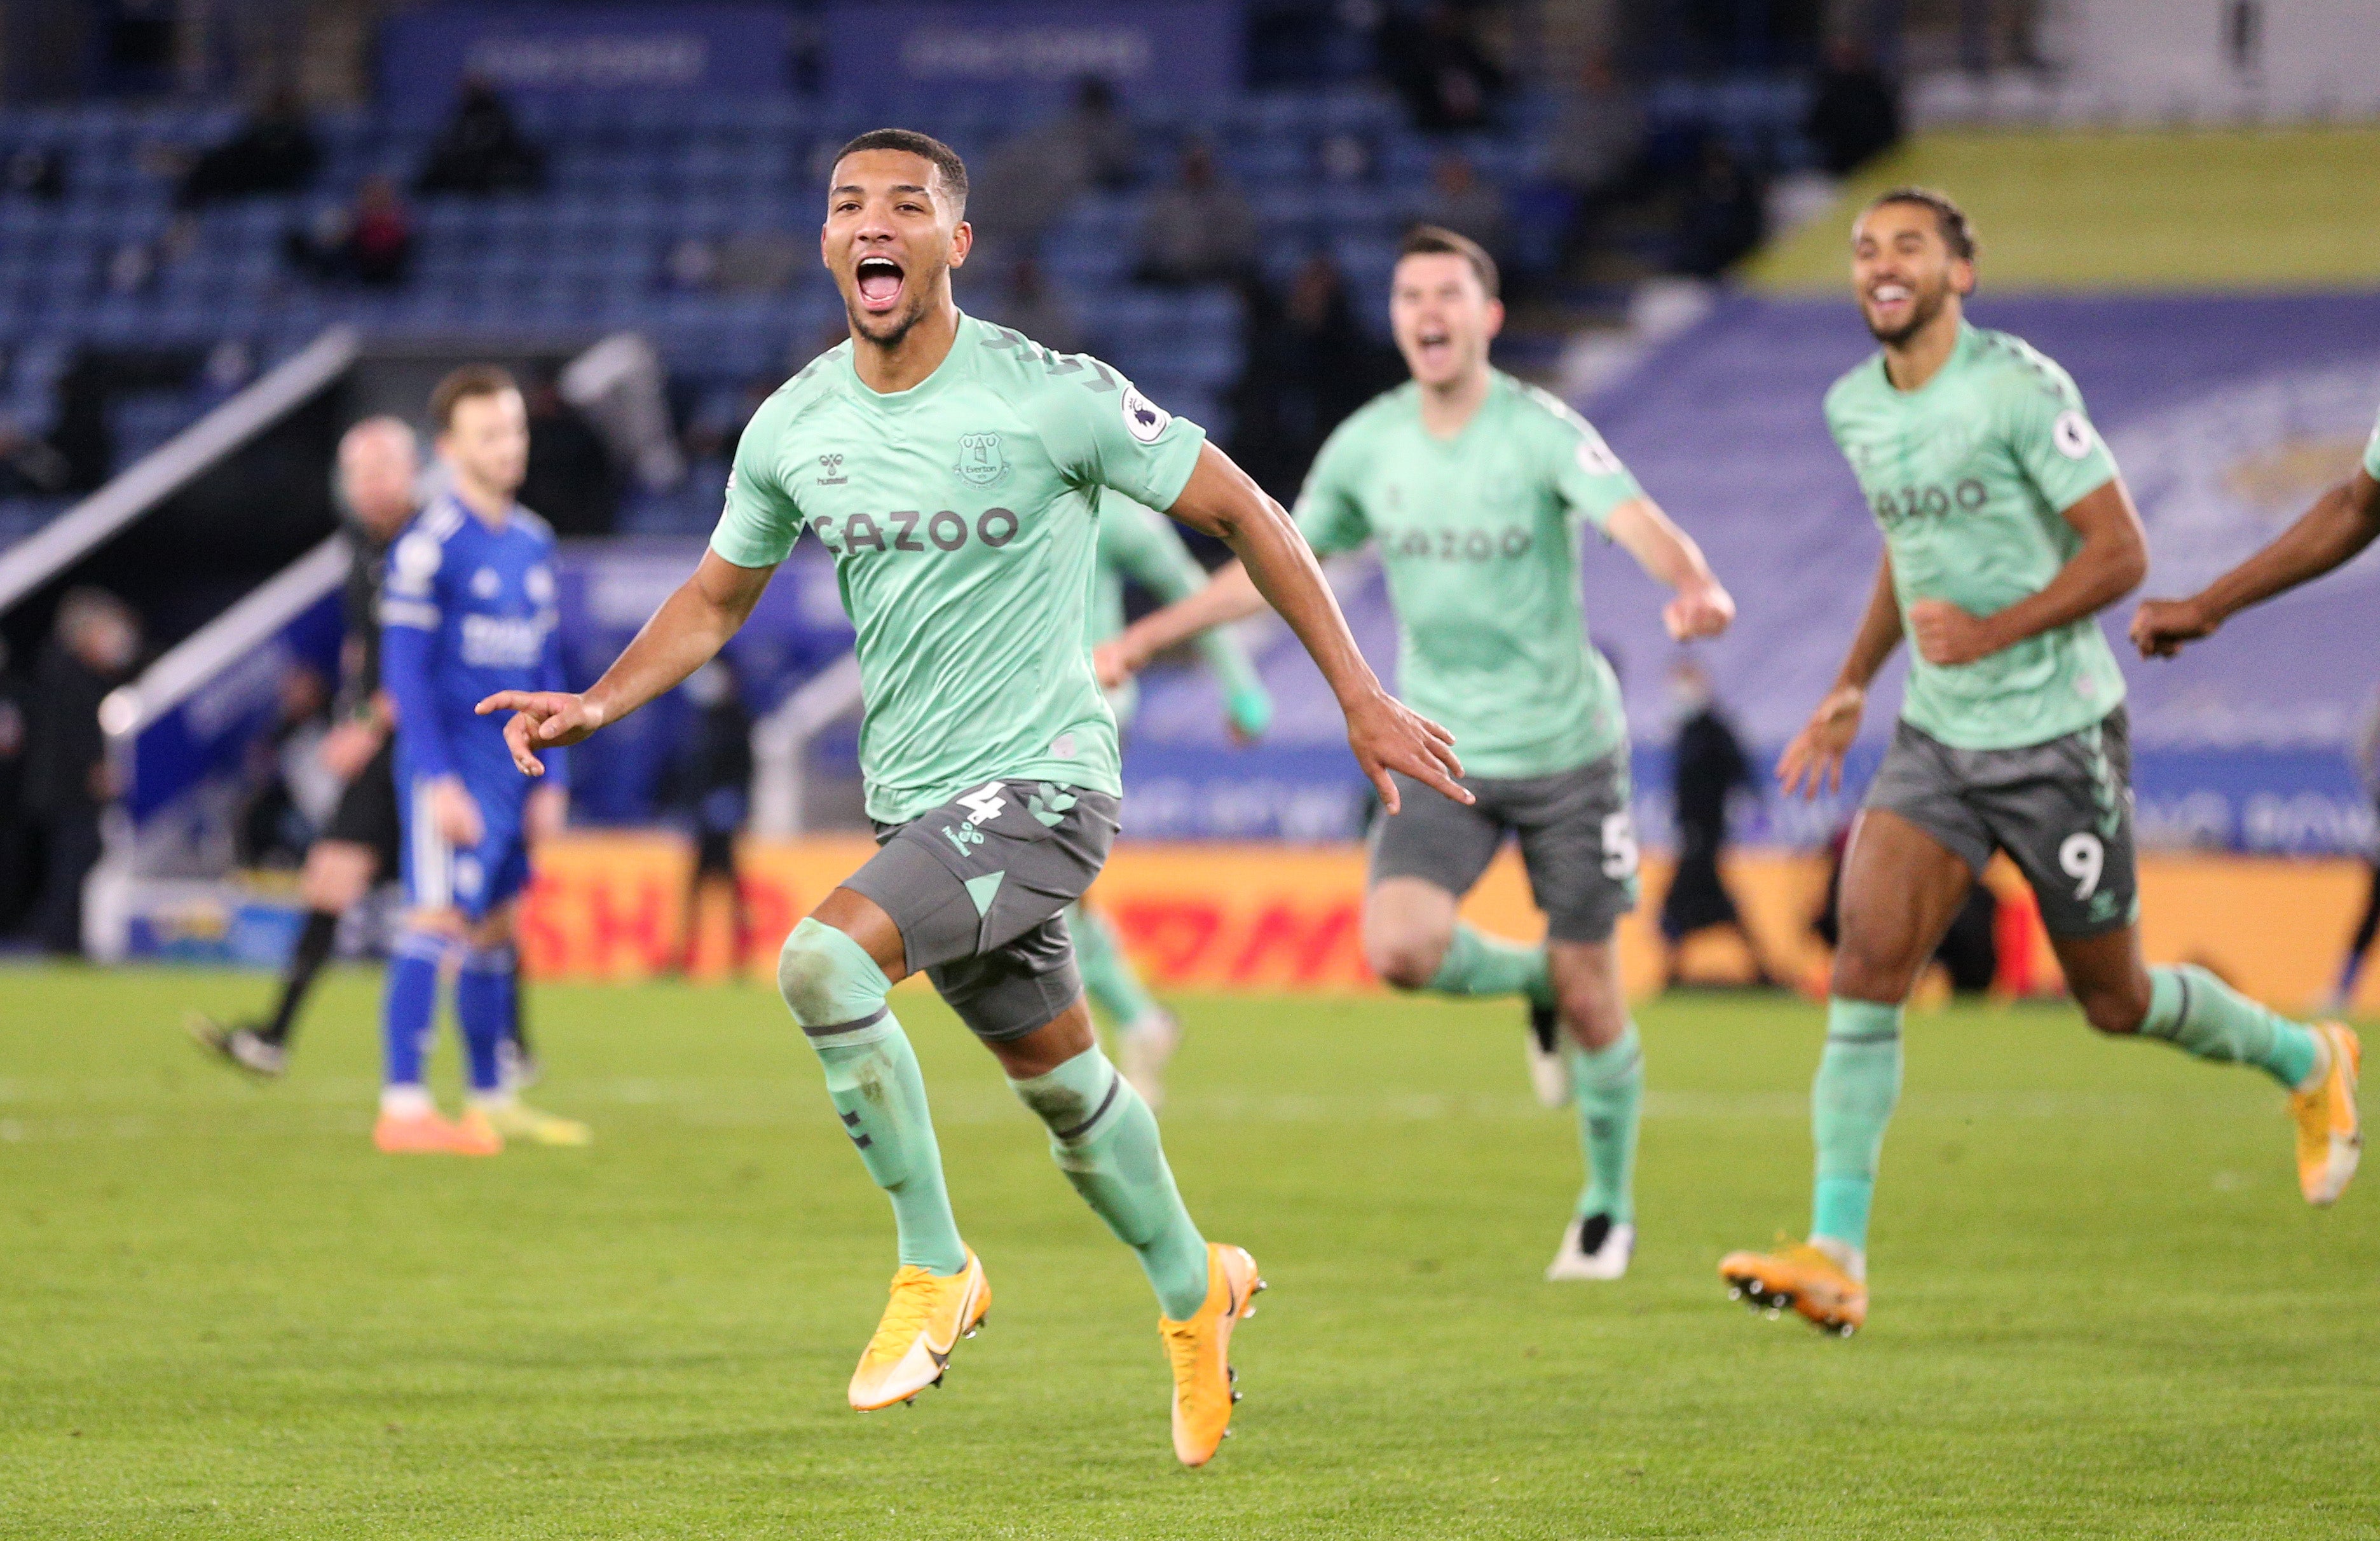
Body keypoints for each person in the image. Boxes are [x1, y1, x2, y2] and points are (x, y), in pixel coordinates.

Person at [475, 129, 1463, 1463]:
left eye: (906, 206)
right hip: (921, 807)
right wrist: (599, 699)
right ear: (830, 246)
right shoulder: (796, 425)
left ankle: (935, 1267)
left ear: (956, 243)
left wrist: (1354, 689)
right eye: (846, 206)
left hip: (1049, 786)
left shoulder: (1052, 395)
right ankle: (1198, 1288)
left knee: (824, 966)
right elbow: (716, 600)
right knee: (1065, 1092)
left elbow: (1248, 512)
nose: (872, 225)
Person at [1720, 188, 2358, 1338]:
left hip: (2055, 735)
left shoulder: (2017, 387)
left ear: (1958, 272)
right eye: (1863, 248)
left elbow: (2120, 552)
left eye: (1907, 245)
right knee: (1866, 961)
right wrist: (1854, 678)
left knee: (2112, 999)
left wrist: (1993, 630)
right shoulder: (1851, 408)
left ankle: (2303, 1053)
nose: (1880, 264)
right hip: (1934, 735)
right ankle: (1833, 1251)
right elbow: (1904, 553)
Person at [1100, 225, 1737, 1284]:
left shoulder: (1536, 430)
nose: (1426, 312)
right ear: (1396, 319)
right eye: (1408, 296)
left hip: (1568, 746)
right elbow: (1274, 559)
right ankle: (1536, 977)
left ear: (1485, 317)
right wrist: (1149, 635)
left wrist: (1692, 580)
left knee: (1599, 996)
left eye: (1447, 293)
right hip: (1439, 744)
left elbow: (1630, 518)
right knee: (1398, 947)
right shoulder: (1367, 444)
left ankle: (1604, 1206)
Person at [372, 369, 589, 1155]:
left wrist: (554, 778)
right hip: (455, 773)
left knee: (498, 930)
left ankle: (490, 1099)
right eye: (490, 434)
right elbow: (404, 678)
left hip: (515, 777)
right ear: (450, 449)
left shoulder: (534, 541)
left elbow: (548, 668)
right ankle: (402, 1110)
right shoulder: (427, 547)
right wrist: (435, 782)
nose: (509, 447)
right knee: (436, 920)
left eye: (515, 430)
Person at [188, 418, 421, 1078]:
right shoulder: (363, 548)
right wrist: (356, 710)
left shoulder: (430, 544)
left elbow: (429, 658)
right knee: (330, 876)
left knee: (472, 901)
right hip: (380, 745)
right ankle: (275, 1035)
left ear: (410, 471)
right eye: (359, 474)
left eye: (382, 470)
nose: (371, 486)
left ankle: (506, 1046)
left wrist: (367, 724)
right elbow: (365, 647)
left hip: (431, 741)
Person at [1078, 495, 1273, 1106]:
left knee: (1037, 891)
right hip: (999, 717)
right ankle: (1140, 1022)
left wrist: (1242, 688)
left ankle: (1087, 1065)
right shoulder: (982, 486)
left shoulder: (1105, 505)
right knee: (1053, 898)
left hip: (1090, 714)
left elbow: (1187, 589)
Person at [24, 587, 140, 954]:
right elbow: (69, 735)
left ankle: (64, 942)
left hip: (66, 793)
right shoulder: (66, 673)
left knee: (75, 869)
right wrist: (95, 770)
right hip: (70, 793)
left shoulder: (76, 673)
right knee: (70, 870)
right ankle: (59, 943)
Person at [1658, 661, 1781, 989]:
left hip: (1706, 833)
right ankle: (1760, 970)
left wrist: (1752, 803)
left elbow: (1741, 769)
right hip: (1692, 833)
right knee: (1702, 903)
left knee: (1681, 902)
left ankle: (1673, 973)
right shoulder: (1686, 732)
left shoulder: (1713, 730)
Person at [667, 657, 755, 976]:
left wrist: (737, 808)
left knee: (730, 895)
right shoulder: (702, 721)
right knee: (698, 893)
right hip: (705, 823)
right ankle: (685, 958)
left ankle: (739, 959)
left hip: (724, 823)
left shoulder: (736, 720)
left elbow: (745, 772)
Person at [1133, 139, 1256, 289]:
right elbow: (1148, 243)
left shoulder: (1231, 201)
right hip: (1174, 274)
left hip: (1217, 272)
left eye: (1200, 165)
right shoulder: (1164, 201)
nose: (1196, 171)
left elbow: (1242, 242)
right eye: (1191, 165)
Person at [415, 77, 544, 196]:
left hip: (492, 167)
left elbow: (501, 143)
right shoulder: (463, 114)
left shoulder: (498, 113)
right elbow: (451, 141)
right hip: (466, 168)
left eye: (476, 88)